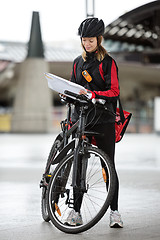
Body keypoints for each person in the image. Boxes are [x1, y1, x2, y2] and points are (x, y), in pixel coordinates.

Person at [65, 17, 123, 228]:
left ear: (99, 39)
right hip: (81, 119)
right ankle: (76, 211)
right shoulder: (77, 62)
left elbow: (114, 91)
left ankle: (114, 212)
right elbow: (72, 87)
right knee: (79, 166)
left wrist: (92, 94)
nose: (86, 44)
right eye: (84, 40)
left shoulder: (108, 62)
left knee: (108, 166)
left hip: (103, 119)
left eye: (90, 40)